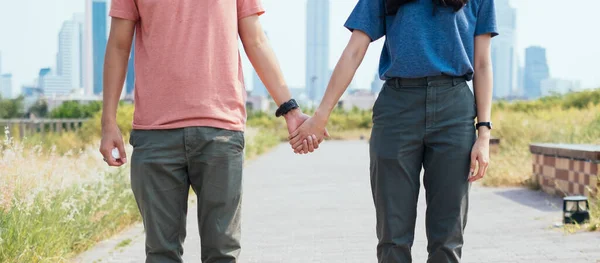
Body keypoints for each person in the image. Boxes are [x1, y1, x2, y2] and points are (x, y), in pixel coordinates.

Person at [99, 0, 322, 262]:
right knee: (161, 254)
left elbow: (255, 39)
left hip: (221, 131)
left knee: (222, 253)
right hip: (155, 134)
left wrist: (290, 110)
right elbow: (118, 44)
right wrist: (108, 123)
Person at [290, 0, 497, 262]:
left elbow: (482, 63)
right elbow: (354, 50)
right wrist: (321, 116)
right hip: (397, 109)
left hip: (454, 110)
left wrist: (484, 134)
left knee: (448, 238)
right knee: (392, 237)